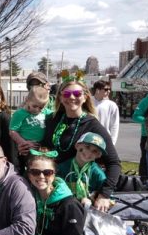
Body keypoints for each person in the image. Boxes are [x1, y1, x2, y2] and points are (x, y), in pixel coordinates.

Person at [41, 78, 120, 212]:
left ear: (85, 97)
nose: (71, 97)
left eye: (77, 94)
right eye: (66, 94)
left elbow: (114, 163)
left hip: (76, 193)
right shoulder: (52, 119)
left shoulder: (92, 125)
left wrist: (104, 194)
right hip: (50, 184)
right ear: (60, 97)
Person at [9, 86, 52, 171]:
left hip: (42, 147)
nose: (37, 109)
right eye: (34, 106)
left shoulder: (45, 112)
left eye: (41, 107)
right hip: (27, 147)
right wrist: (23, 143)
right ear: (27, 100)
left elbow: (56, 114)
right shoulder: (20, 113)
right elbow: (13, 131)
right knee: (30, 169)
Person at [131, 82, 148, 179]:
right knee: (146, 160)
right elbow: (135, 116)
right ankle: (143, 180)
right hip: (147, 136)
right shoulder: (146, 101)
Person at [92, 80, 119, 144]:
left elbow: (114, 125)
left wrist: (112, 142)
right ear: (97, 90)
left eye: (109, 89)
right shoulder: (87, 101)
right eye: (106, 89)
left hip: (104, 139)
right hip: (87, 138)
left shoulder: (112, 105)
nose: (109, 91)